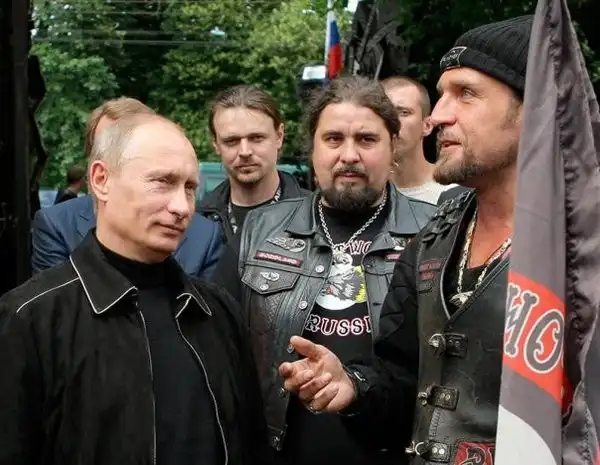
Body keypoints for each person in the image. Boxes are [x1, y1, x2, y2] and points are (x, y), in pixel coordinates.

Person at [278, 15, 533, 465]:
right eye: (442, 94)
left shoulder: (583, 245)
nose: (437, 117)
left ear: (535, 111)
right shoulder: (434, 238)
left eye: (466, 94)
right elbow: (401, 382)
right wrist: (355, 387)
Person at [0, 113, 268, 465]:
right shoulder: (30, 319)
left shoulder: (218, 312)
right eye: (162, 182)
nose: (182, 207)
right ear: (101, 180)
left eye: (189, 188)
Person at [213, 76, 437, 465]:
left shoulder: (435, 232)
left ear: (393, 147)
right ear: (313, 148)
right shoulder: (261, 230)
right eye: (333, 139)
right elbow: (219, 352)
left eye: (366, 139)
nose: (349, 155)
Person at [31, 97, 223, 278]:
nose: (180, 207)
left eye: (189, 187)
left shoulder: (205, 236)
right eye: (107, 144)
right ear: (96, 169)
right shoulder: (58, 224)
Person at [197, 85, 309, 244]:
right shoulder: (197, 223)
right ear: (216, 144)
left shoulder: (316, 217)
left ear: (279, 136)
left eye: (256, 138)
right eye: (231, 141)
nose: (245, 151)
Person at [382, 76, 457, 203]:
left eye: (404, 112)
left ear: (427, 125)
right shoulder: (364, 193)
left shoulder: (455, 193)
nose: (392, 122)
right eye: (384, 113)